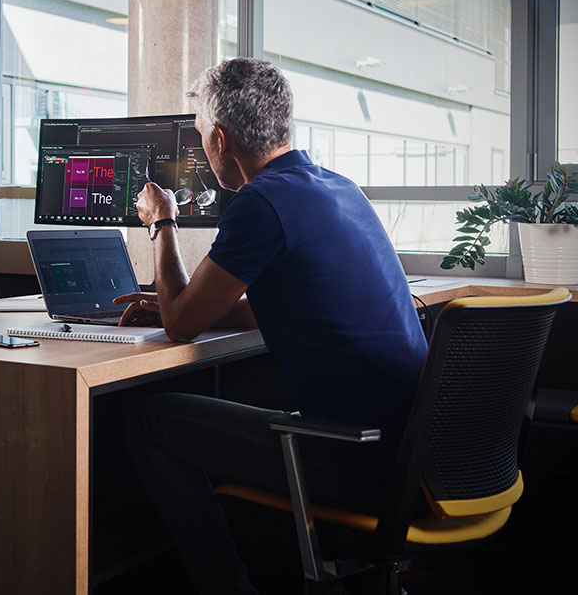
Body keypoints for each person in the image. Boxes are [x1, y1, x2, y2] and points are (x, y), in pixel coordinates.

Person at [113, 58, 428, 595]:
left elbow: (182, 325)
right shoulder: (339, 187)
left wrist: (162, 223)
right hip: (415, 451)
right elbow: (284, 301)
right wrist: (184, 303)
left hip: (354, 456)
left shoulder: (261, 202)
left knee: (147, 420)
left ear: (219, 138)